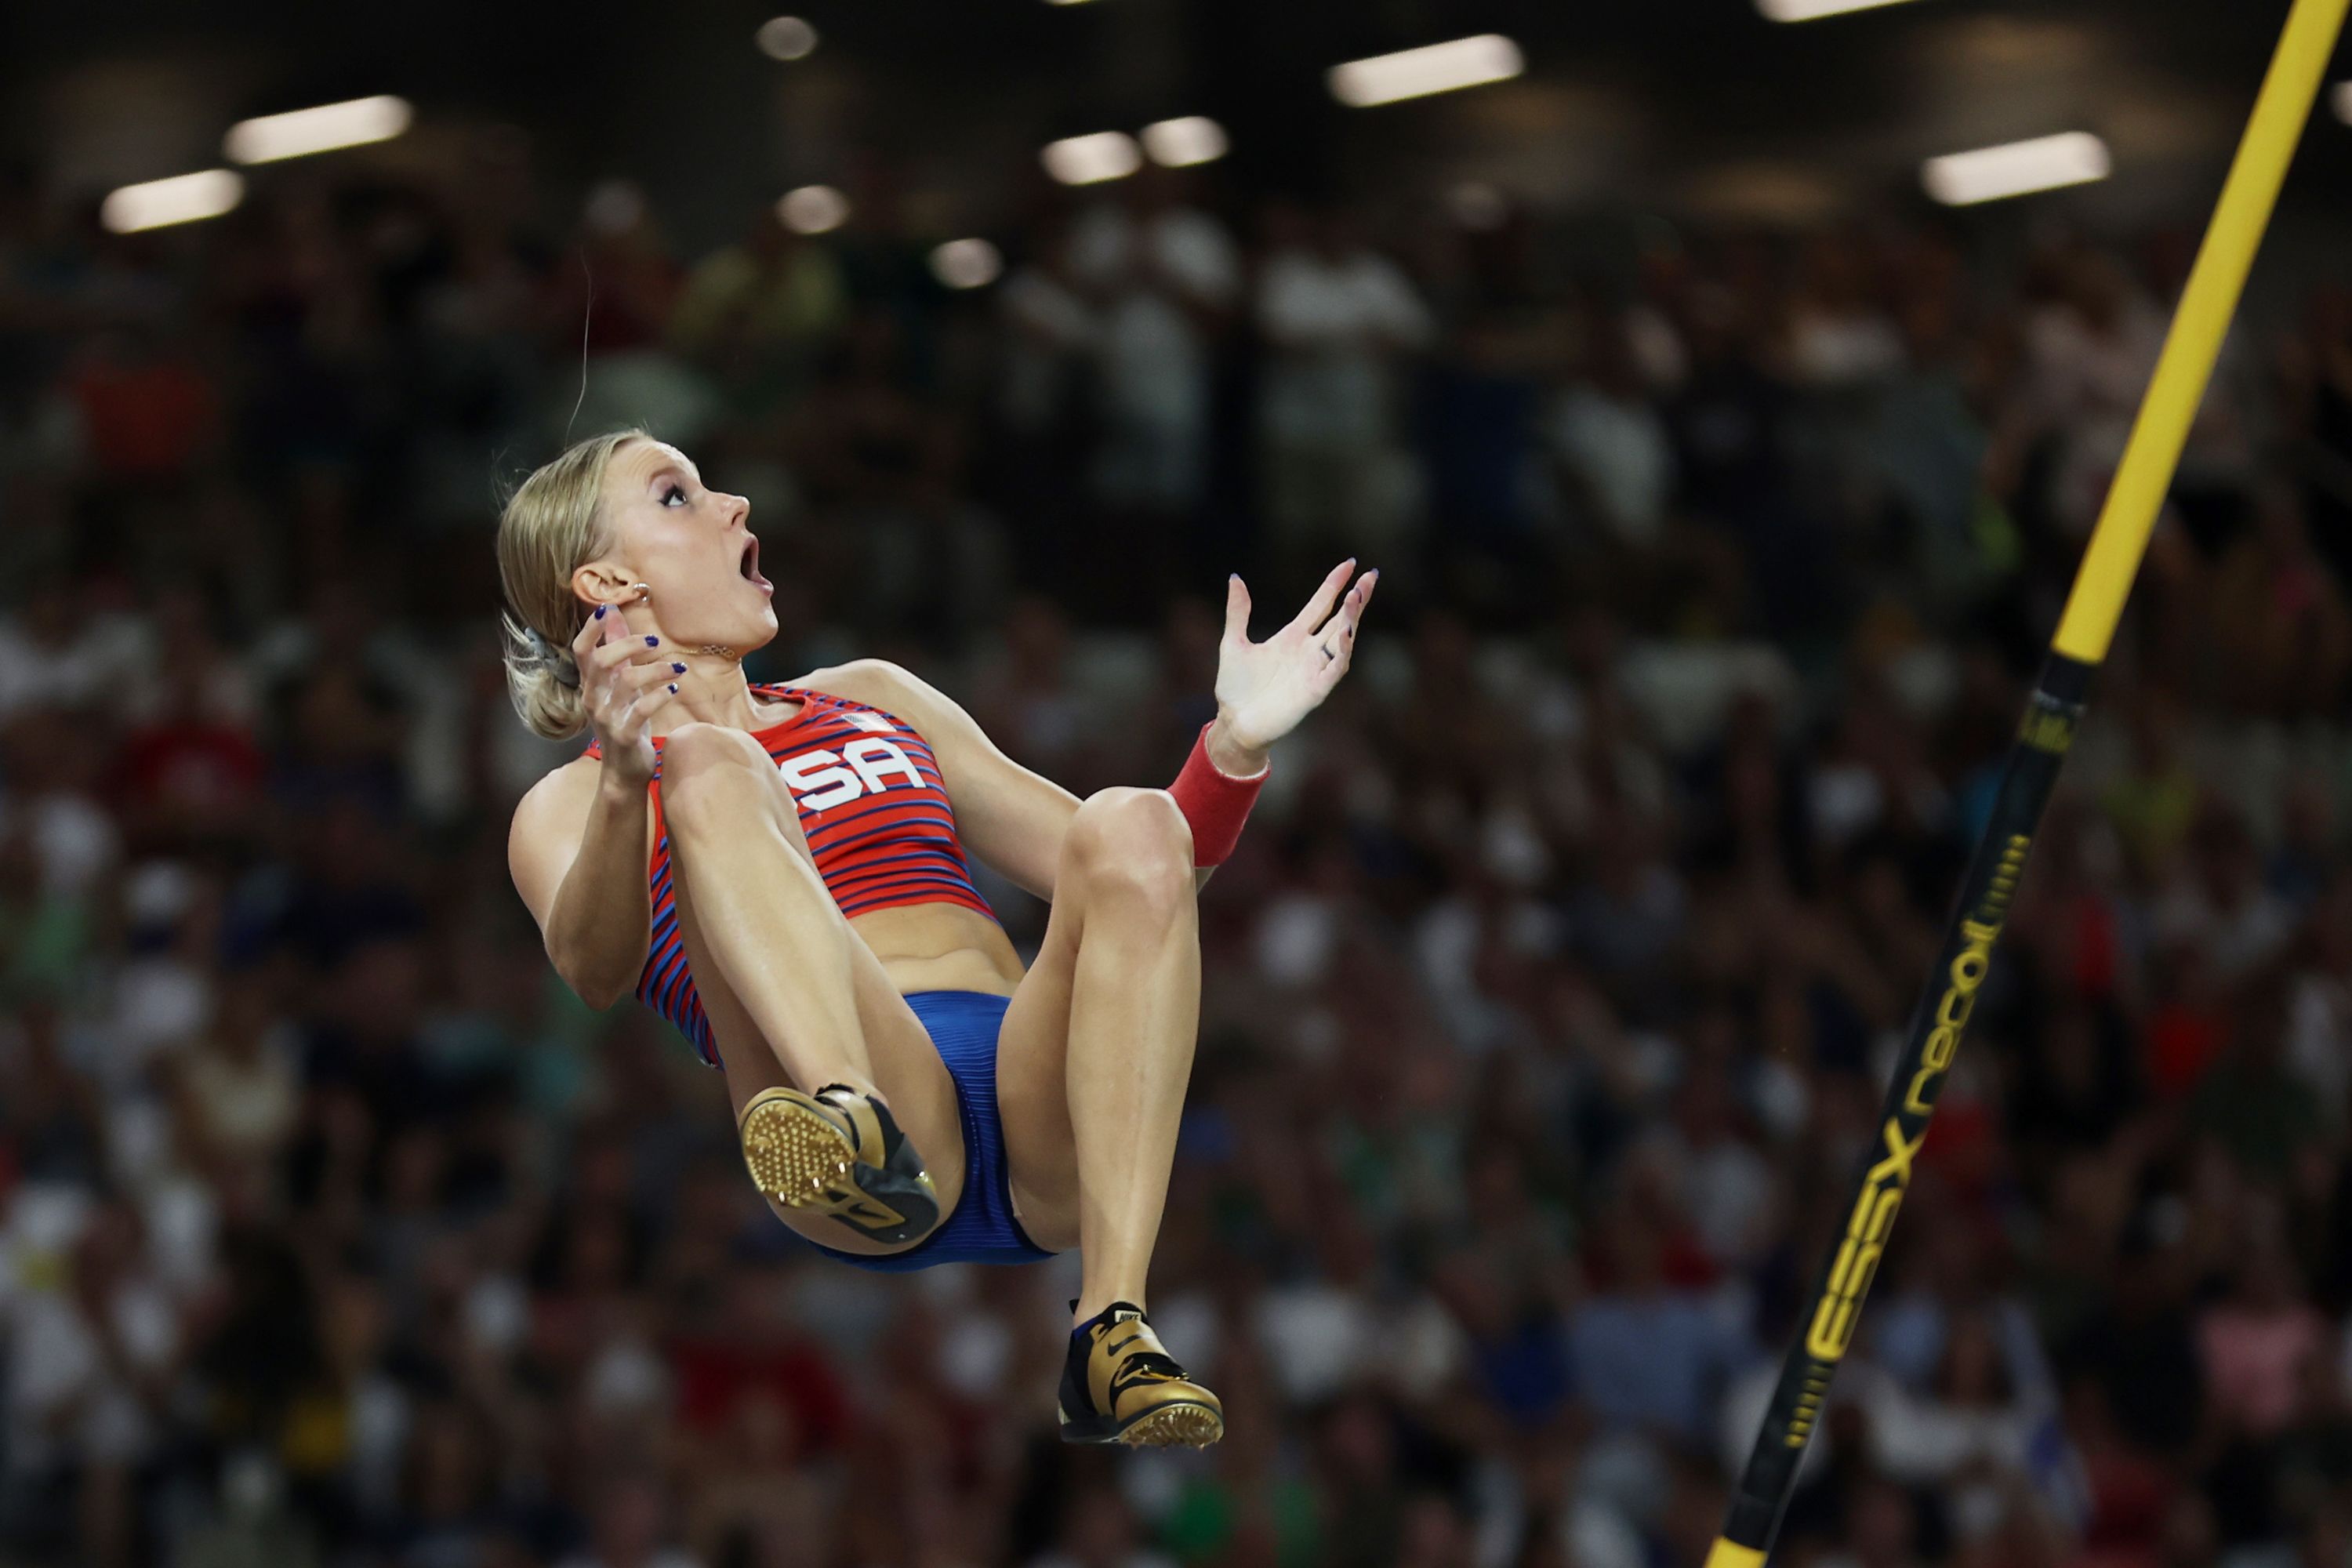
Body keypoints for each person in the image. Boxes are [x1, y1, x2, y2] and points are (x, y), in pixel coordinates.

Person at [496, 429, 1375, 1447]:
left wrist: (1232, 748)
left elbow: (1149, 890)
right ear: (608, 581)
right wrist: (621, 776)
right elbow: (593, 972)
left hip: (1029, 1087)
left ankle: (1113, 1326)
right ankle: (849, 1118)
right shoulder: (568, 805)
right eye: (679, 497)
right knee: (702, 766)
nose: (735, 504)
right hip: (851, 1116)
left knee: (1131, 821)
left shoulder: (872, 698)